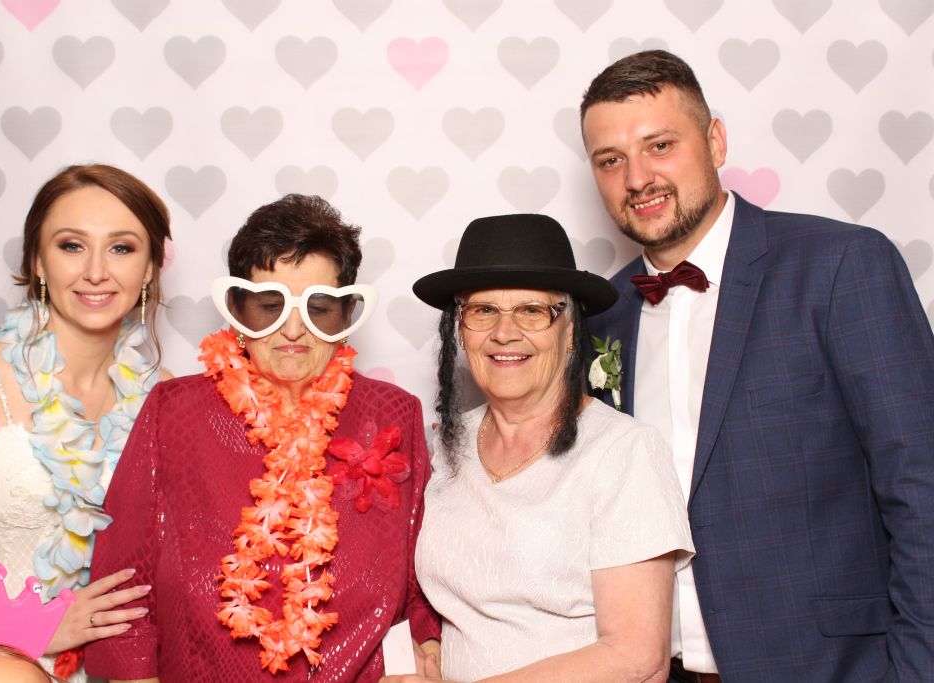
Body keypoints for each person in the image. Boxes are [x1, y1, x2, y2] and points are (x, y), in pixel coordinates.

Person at [580, 49, 934, 683]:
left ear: (716, 141)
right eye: (611, 160)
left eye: (660, 145)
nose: (637, 178)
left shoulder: (840, 266)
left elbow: (921, 485)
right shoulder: (600, 317)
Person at [85, 193, 440, 682]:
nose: (293, 329)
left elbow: (425, 580)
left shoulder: (393, 413)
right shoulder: (175, 411)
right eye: (270, 306)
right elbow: (123, 583)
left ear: (346, 314)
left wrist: (428, 652)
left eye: (318, 308)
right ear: (237, 308)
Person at [390, 214, 694, 683]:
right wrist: (424, 648)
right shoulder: (442, 448)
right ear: (461, 329)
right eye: (483, 311)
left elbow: (636, 657)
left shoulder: (624, 452)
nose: (504, 333)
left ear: (569, 331)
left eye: (532, 311)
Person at [0, 163, 172, 681]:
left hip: (117, 668)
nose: (96, 271)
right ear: (37, 261)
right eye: (71, 245)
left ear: (149, 269)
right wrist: (28, 626)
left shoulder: (167, 400)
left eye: (121, 248)